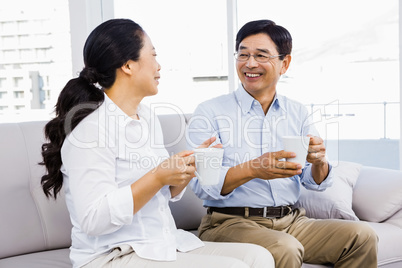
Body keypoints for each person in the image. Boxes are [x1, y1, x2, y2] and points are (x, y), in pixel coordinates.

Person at [40, 19, 274, 268]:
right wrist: (158, 176)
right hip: (111, 255)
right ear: (128, 65)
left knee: (259, 257)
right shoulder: (91, 132)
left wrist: (183, 171)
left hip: (159, 244)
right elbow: (93, 219)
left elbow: (160, 192)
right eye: (152, 54)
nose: (159, 65)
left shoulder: (147, 117)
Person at [186, 19, 378, 268]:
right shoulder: (210, 111)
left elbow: (314, 180)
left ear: (284, 63)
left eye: (261, 55)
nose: (250, 63)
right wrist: (253, 169)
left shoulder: (296, 112)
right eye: (242, 54)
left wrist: (319, 161)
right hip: (229, 222)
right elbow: (203, 186)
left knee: (362, 237)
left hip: (291, 221)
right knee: (285, 248)